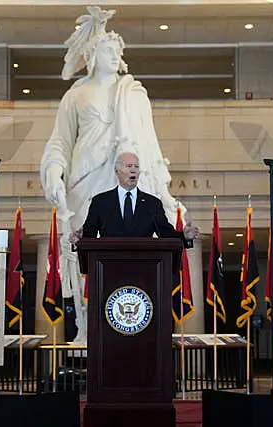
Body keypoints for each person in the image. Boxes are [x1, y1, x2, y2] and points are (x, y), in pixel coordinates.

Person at [40, 7, 186, 343]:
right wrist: (53, 170)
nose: (115, 53)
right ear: (92, 55)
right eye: (108, 48)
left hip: (128, 179)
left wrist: (162, 190)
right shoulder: (75, 95)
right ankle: (86, 329)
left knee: (132, 249)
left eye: (118, 49)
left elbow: (150, 141)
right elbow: (60, 141)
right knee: (85, 251)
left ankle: (132, 322)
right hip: (86, 179)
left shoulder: (134, 93)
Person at [70, 152, 199, 244]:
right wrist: (79, 240)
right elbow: (89, 236)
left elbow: (165, 233)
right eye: (128, 166)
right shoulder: (101, 202)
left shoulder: (152, 203)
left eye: (136, 167)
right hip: (109, 266)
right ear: (117, 171)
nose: (133, 170)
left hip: (145, 267)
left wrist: (183, 236)